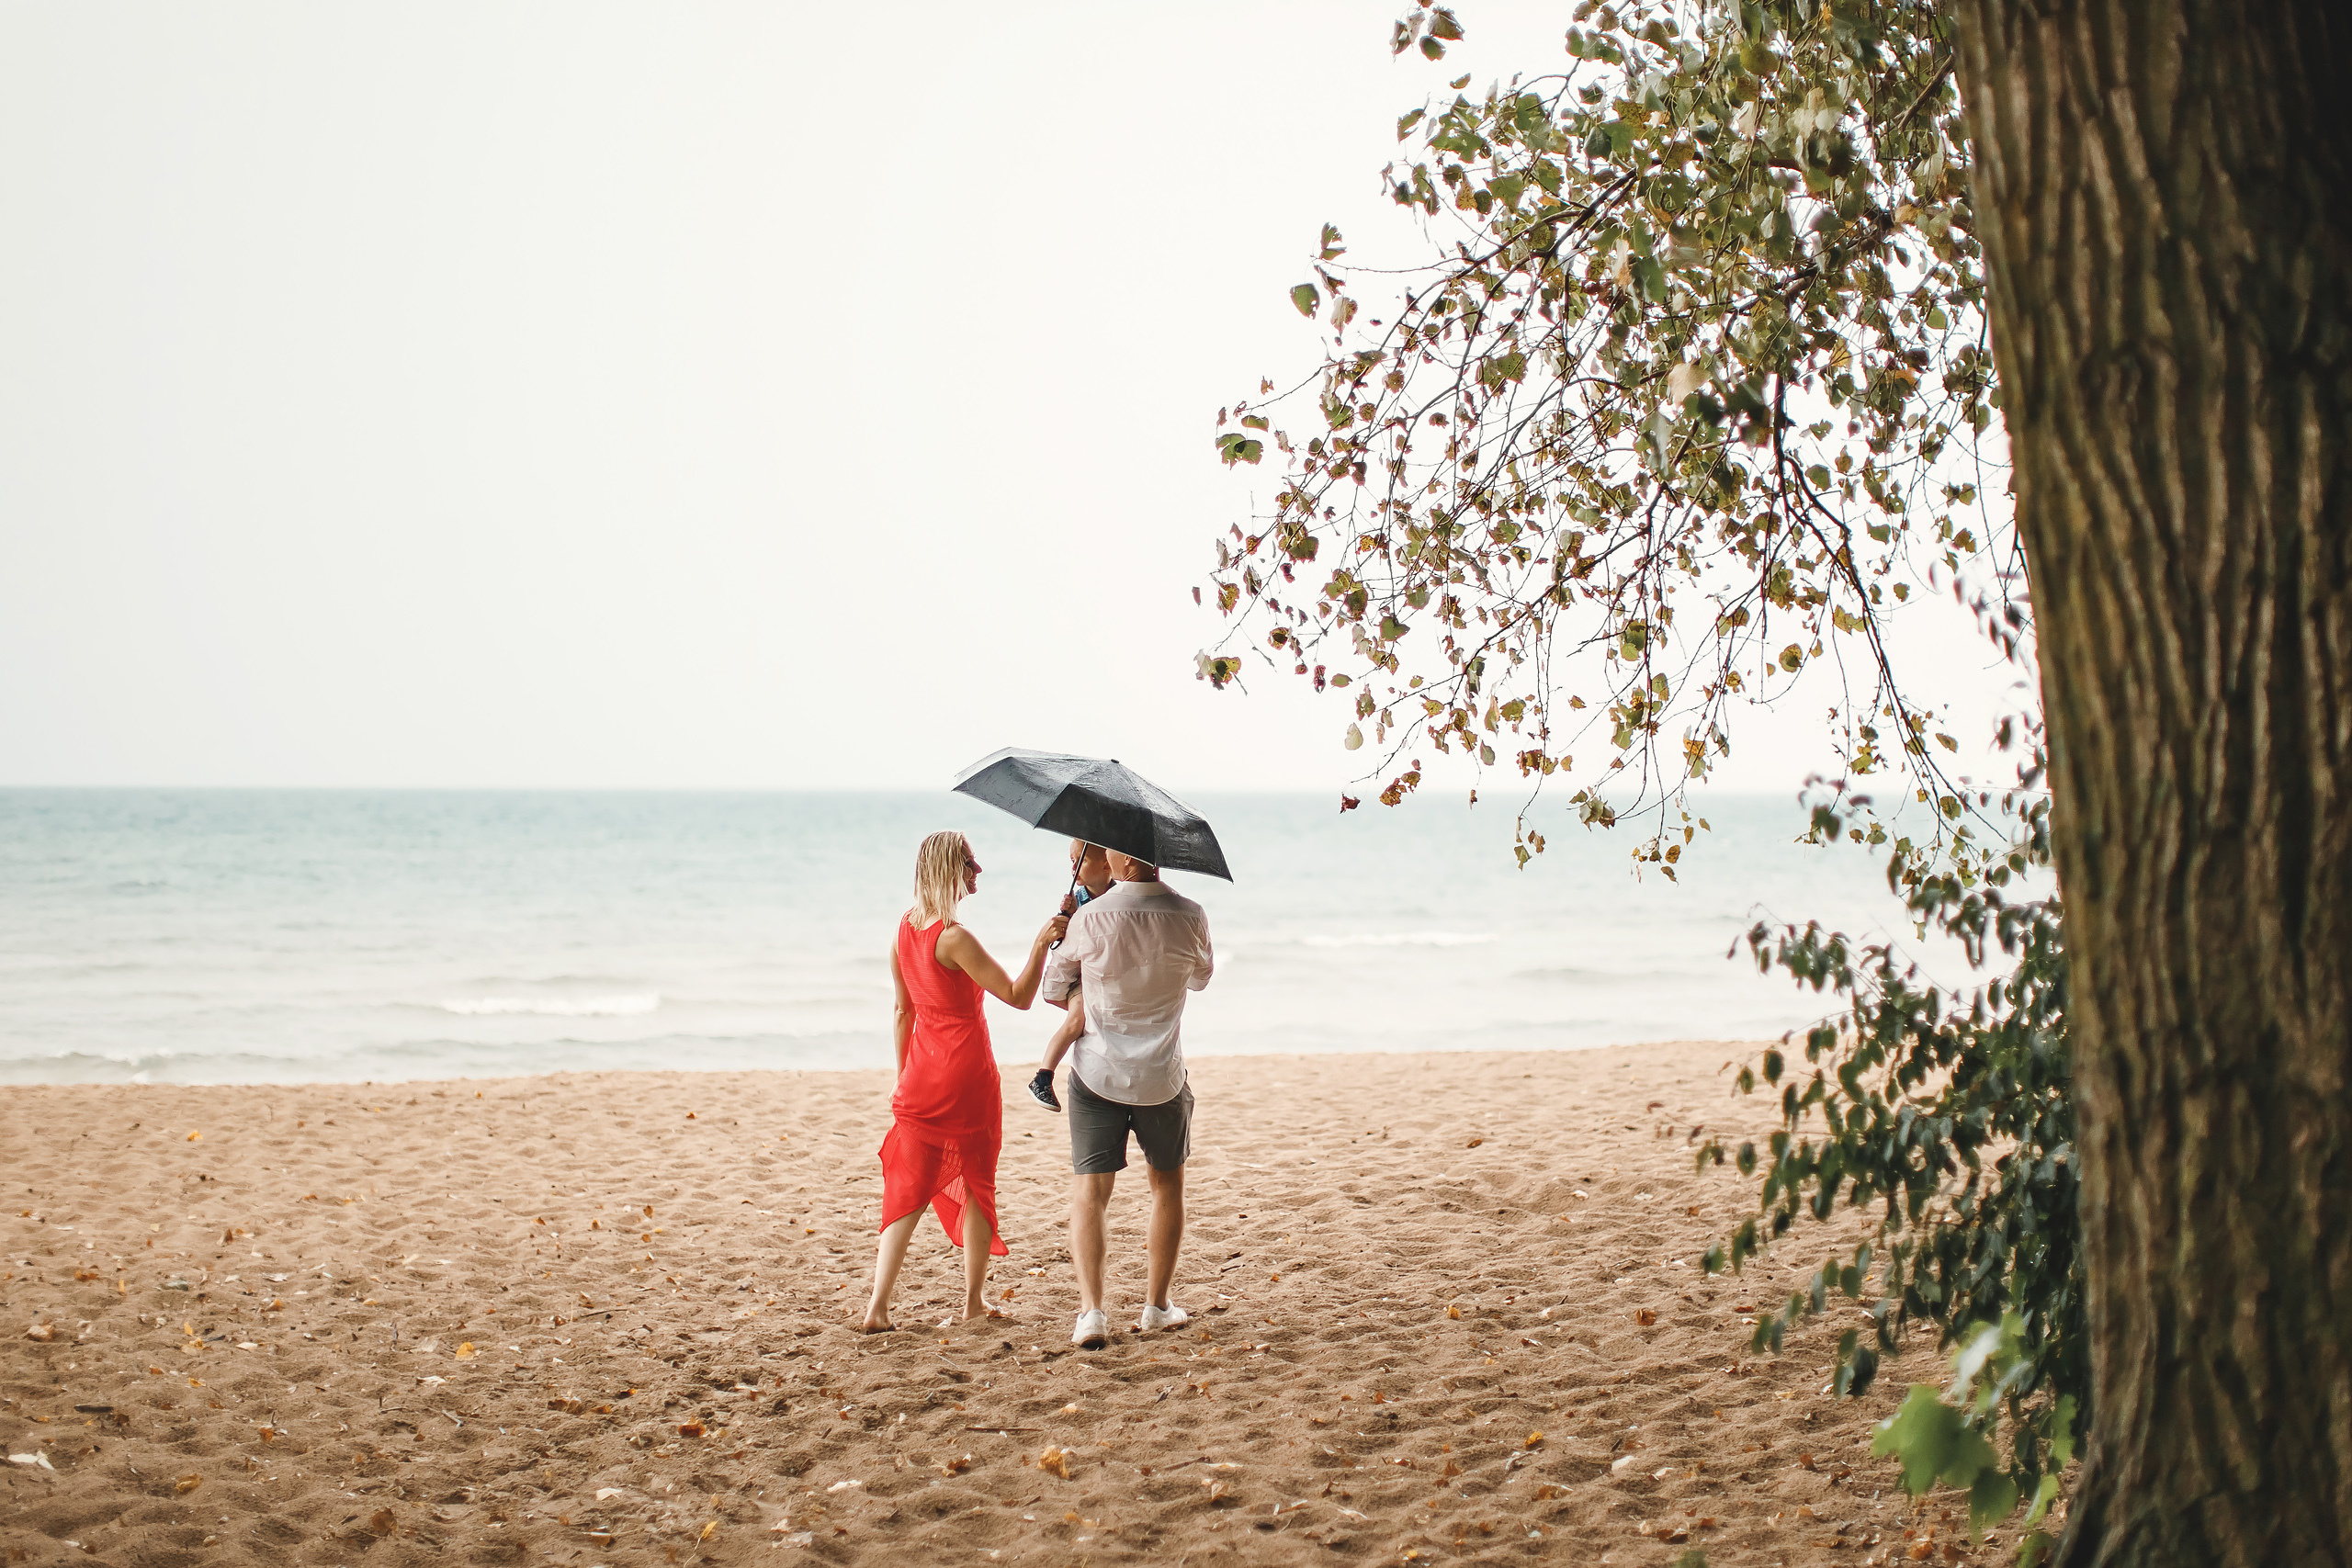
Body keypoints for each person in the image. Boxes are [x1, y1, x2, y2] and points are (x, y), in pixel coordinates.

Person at [859, 830, 1065, 1335]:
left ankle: (878, 1307)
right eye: (971, 863)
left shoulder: (903, 931)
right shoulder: (954, 938)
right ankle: (972, 1303)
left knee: (908, 1188)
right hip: (966, 1073)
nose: (979, 871)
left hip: (921, 1075)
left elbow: (903, 1010)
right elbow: (1018, 995)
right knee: (977, 1182)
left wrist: (902, 1075)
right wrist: (1041, 944)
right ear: (952, 869)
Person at [1053, 848, 1214, 1348]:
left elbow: (1054, 989)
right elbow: (1201, 979)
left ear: (1120, 859)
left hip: (1097, 1071)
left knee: (1091, 1191)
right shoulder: (1191, 915)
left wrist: (1064, 928)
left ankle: (1092, 1314)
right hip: (1160, 1074)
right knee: (1167, 1187)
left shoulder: (1091, 916)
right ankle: (1157, 1306)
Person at [1028, 840, 1115, 1112]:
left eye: (1081, 861)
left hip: (1106, 974)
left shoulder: (1119, 897)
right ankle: (1043, 1076)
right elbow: (1063, 945)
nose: (1073, 868)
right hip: (1080, 977)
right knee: (1076, 1019)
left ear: (1107, 863)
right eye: (1071, 861)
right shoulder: (1076, 900)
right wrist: (1068, 915)